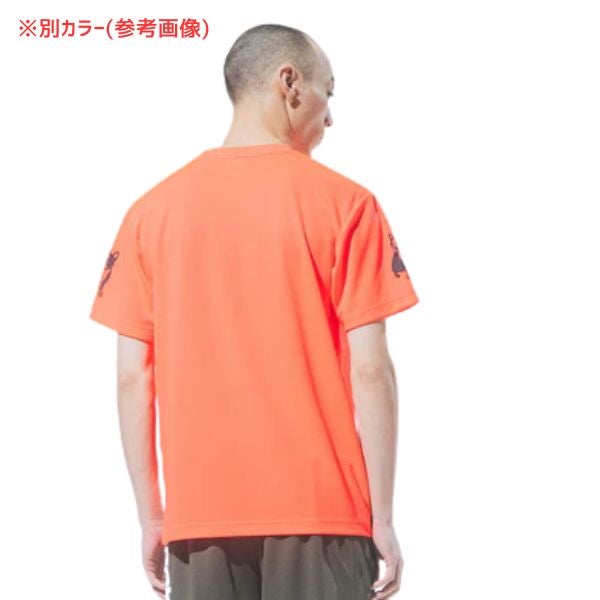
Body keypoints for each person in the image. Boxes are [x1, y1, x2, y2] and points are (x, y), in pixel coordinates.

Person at [89, 22, 419, 600]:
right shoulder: (347, 205)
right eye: (327, 92)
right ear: (289, 83)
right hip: (323, 513)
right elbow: (371, 370)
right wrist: (384, 517)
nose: (330, 117)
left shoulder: (150, 213)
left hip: (200, 520)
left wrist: (153, 516)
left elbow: (131, 376)